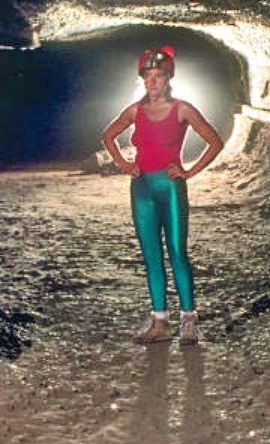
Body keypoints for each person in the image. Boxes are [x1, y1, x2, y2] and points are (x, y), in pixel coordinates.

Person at [100, 45, 225, 345]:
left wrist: (189, 172)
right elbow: (107, 135)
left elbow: (215, 141)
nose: (152, 82)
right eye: (148, 76)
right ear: (142, 79)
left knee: (178, 252)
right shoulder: (135, 111)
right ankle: (160, 321)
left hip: (169, 187)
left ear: (169, 78)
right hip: (141, 187)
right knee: (151, 255)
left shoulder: (182, 109)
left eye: (158, 76)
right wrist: (124, 164)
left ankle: (189, 320)